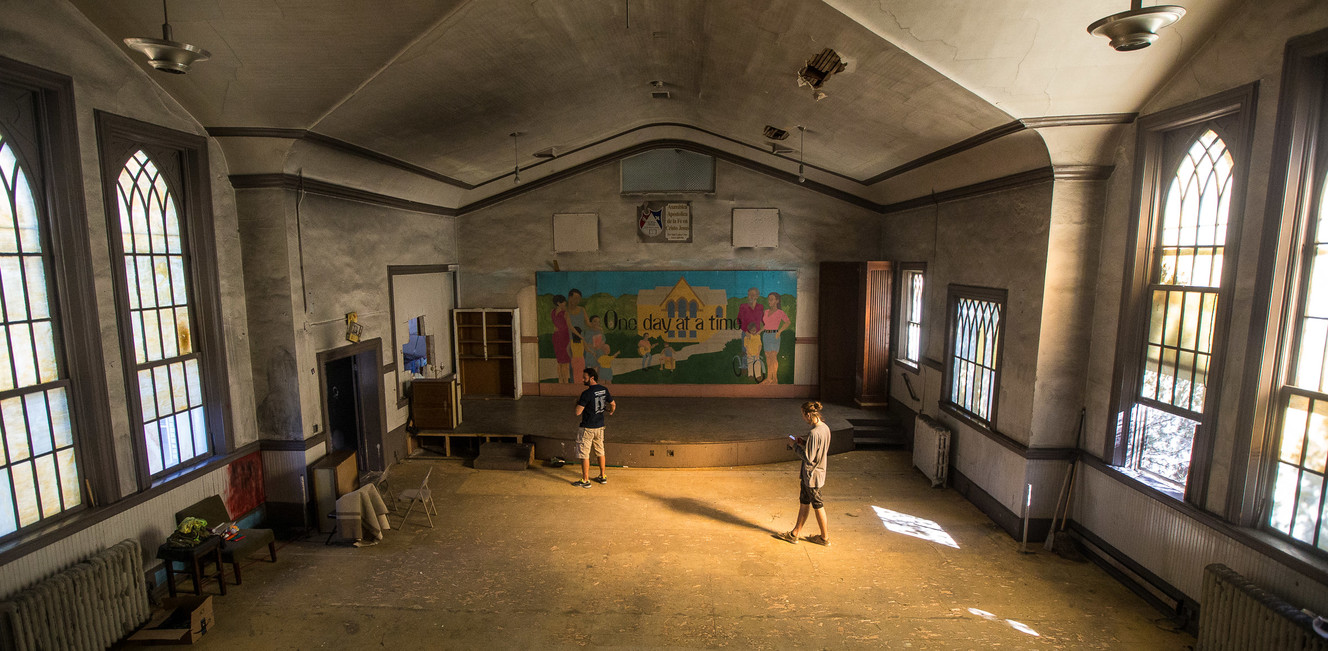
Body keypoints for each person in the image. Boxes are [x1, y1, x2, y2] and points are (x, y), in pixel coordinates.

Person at [775, 401, 830, 545]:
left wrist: (794, 445)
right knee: (804, 502)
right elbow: (817, 448)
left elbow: (808, 458)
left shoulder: (813, 433)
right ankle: (795, 533)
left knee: (818, 505)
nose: (803, 418)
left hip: (812, 477)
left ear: (808, 414)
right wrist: (803, 442)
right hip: (816, 474)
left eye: (803, 415)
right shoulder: (825, 428)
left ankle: (824, 538)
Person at [572, 368, 615, 488]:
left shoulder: (586, 394)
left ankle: (585, 480)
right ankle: (602, 476)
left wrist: (576, 402)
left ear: (592, 378)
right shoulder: (604, 389)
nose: (582, 379)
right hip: (600, 427)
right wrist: (611, 411)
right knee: (600, 451)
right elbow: (613, 404)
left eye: (584, 377)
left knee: (584, 453)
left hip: (587, 428)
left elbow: (577, 412)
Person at [761, 292, 791, 385]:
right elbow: (765, 325)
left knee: (773, 357)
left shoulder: (780, 312)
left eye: (771, 299)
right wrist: (758, 332)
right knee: (767, 357)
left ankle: (775, 379)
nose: (769, 301)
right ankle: (769, 378)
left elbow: (788, 322)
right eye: (769, 299)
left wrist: (779, 331)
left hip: (774, 335)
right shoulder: (765, 312)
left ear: (777, 301)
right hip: (766, 335)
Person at [566, 289, 588, 382]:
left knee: (583, 364)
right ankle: (573, 384)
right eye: (575, 298)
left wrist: (597, 327)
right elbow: (570, 327)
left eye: (579, 298)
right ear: (570, 298)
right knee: (572, 366)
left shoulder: (582, 310)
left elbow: (588, 323)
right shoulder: (566, 311)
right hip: (571, 340)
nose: (577, 300)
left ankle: (583, 383)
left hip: (581, 341)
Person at [551, 295, 572, 383]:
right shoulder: (565, 313)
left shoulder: (552, 312)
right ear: (559, 303)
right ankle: (566, 381)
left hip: (556, 336)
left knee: (560, 360)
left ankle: (561, 380)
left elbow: (556, 326)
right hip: (564, 336)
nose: (565, 303)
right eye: (563, 301)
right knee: (566, 360)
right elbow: (569, 326)